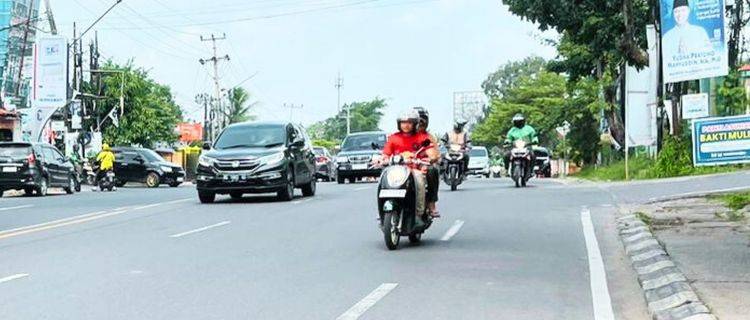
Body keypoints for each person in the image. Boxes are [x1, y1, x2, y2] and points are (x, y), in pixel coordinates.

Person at [381, 110, 441, 217]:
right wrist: (382, 160)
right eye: (403, 122)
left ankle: (425, 207)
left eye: (409, 122)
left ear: (415, 124)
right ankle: (382, 209)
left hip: (415, 169)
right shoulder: (393, 138)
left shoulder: (422, 137)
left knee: (429, 173)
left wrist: (431, 159)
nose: (406, 125)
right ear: (399, 124)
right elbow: (385, 154)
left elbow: (432, 153)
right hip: (397, 169)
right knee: (383, 176)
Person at [413, 107, 441, 217]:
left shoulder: (428, 137)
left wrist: (430, 159)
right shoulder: (401, 136)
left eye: (422, 120)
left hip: (422, 165)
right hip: (405, 166)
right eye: (417, 120)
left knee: (432, 170)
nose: (420, 123)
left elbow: (434, 154)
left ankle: (431, 204)